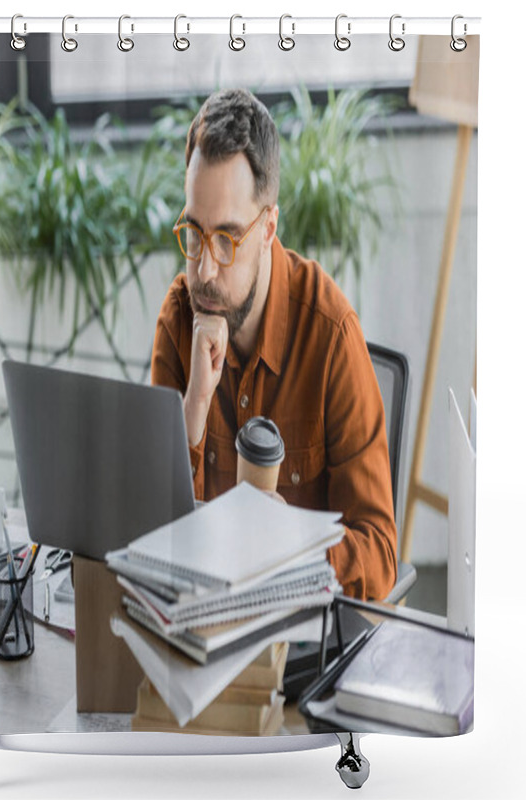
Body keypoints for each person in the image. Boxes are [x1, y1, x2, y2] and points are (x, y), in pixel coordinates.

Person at [151, 88, 396, 602]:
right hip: (200, 631)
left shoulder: (330, 334)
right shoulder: (180, 318)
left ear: (268, 228)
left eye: (226, 239)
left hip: (299, 646)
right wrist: (193, 407)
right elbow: (153, 539)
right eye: (194, 233)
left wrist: (295, 547)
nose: (204, 269)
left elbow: (379, 556)